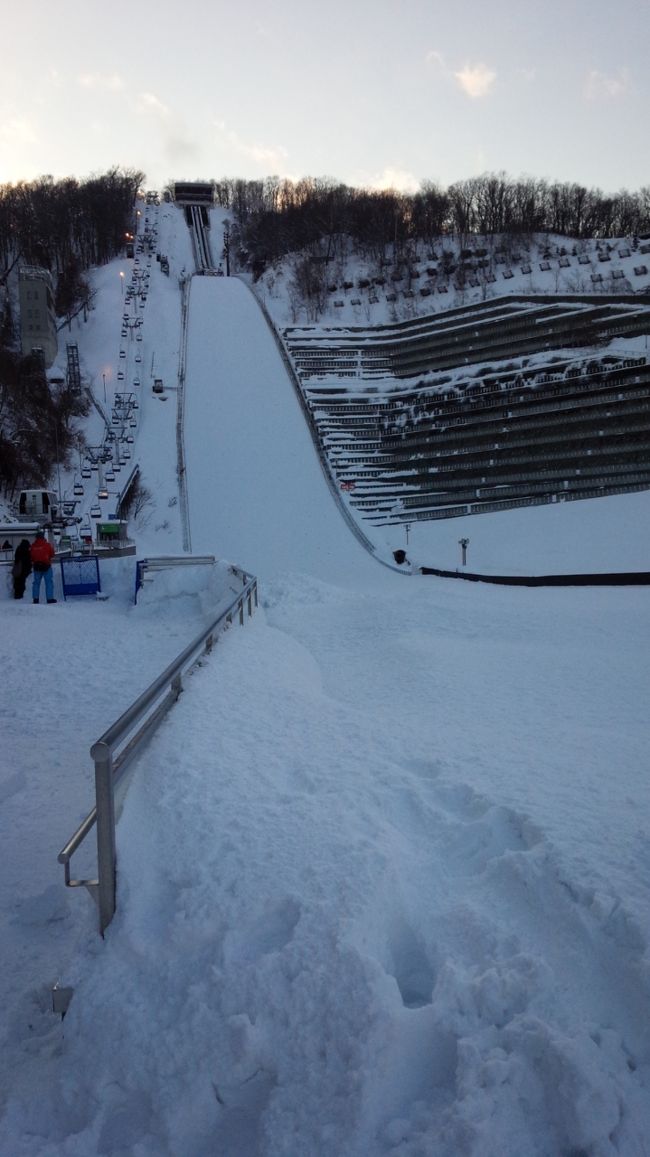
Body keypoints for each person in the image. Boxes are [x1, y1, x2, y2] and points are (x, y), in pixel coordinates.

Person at [30, 530, 56, 604]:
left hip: (37, 567)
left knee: (36, 583)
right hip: (46, 566)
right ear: (43, 537)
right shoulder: (47, 545)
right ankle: (50, 599)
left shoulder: (33, 546)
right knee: (49, 583)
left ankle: (35, 599)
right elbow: (52, 554)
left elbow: (31, 557)